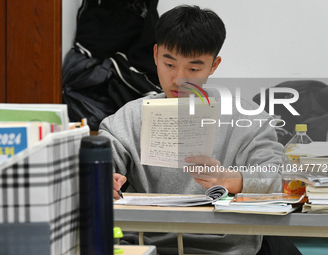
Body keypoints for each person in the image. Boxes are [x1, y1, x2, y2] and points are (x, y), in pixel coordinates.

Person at [99, 5, 300, 255]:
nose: (179, 79)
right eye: (169, 64)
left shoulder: (249, 119)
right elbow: (97, 160)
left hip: (227, 249)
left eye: (193, 69)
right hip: (147, 246)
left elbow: (280, 177)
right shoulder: (130, 116)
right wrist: (103, 178)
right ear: (155, 55)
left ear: (213, 65)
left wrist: (230, 179)